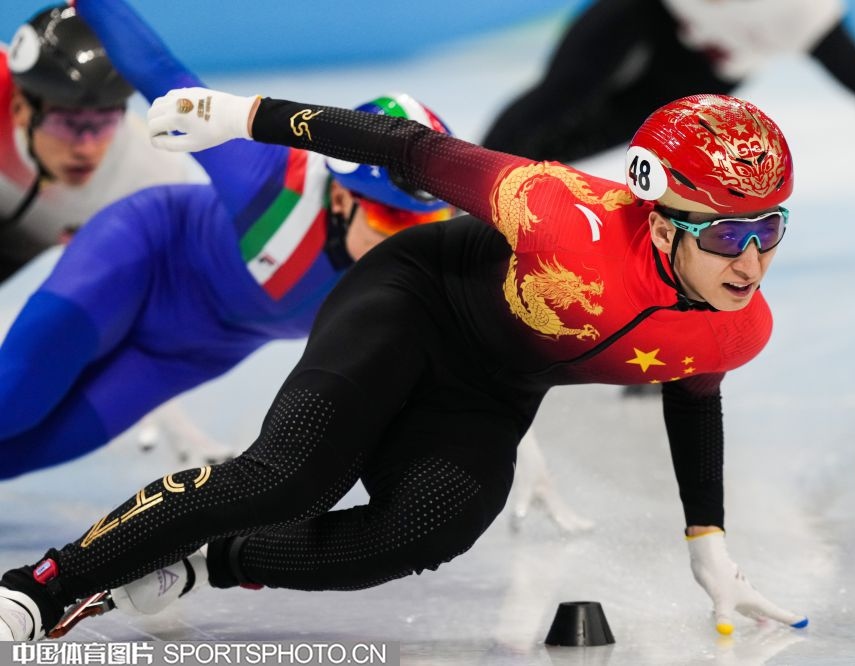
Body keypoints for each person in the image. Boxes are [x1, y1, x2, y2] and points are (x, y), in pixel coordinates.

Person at [0, 88, 809, 641]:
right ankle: (43, 584)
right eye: (727, 235)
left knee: (429, 528)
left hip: (492, 389)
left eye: (768, 229)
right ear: (662, 223)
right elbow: (411, 149)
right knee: (291, 478)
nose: (751, 263)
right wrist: (244, 116)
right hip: (413, 302)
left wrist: (707, 538)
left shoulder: (743, 326)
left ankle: (208, 563)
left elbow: (693, 393)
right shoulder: (561, 213)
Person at [0, 0, 455, 482]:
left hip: (187, 354)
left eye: (429, 221)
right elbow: (159, 72)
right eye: (389, 219)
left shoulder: (438, 259)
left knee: (14, 458)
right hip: (138, 259)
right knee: (12, 407)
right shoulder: (268, 176)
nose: (410, 241)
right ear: (342, 197)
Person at [482, 0, 855, 270]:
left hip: (701, 68)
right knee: (558, 96)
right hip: (647, 13)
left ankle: (491, 208)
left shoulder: (803, 12)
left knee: (576, 141)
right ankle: (466, 180)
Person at [0, 3, 194, 283]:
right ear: (20, 110)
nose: (87, 148)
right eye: (66, 123)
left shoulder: (156, 178)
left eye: (106, 122)